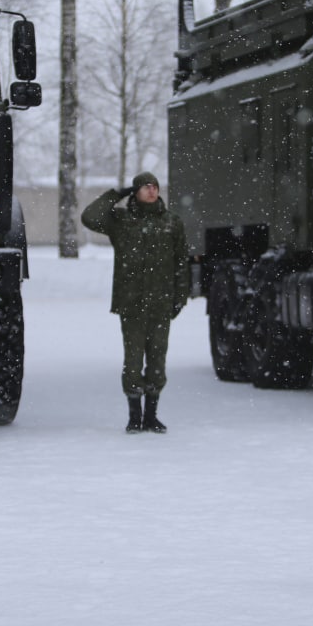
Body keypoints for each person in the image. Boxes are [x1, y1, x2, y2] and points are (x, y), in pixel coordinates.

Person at [81, 172, 190, 433]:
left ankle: (151, 416)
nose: (152, 191)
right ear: (135, 191)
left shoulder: (171, 222)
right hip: (131, 304)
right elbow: (89, 217)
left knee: (157, 361)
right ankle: (134, 416)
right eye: (145, 187)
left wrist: (180, 298)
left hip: (161, 303)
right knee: (132, 362)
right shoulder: (121, 220)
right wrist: (116, 193)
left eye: (155, 187)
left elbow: (181, 262)